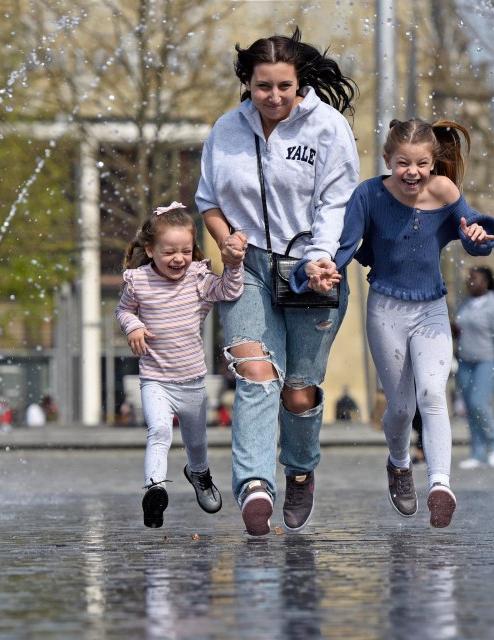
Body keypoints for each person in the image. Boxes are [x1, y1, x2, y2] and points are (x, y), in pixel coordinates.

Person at [295, 118, 494, 528]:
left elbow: (474, 232)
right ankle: (399, 463)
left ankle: (440, 484)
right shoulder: (369, 195)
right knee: (401, 407)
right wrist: (316, 273)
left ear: (433, 162)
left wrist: (480, 233)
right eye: (403, 162)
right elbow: (347, 244)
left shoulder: (443, 191)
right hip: (386, 308)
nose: (413, 172)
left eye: (422, 163)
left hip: (431, 309)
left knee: (431, 394)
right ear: (388, 159)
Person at [195, 28, 360, 536]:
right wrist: (225, 241)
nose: (273, 97)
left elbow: (337, 203)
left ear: (298, 83)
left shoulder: (329, 129)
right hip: (248, 269)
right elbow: (209, 201)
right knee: (256, 375)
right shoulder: (226, 129)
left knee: (299, 392)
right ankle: (254, 486)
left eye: (283, 86)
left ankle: (300, 469)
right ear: (248, 82)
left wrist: (319, 258)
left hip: (311, 268)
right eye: (263, 86)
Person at [115, 202, 246, 529]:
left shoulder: (198, 279)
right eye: (169, 251)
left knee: (196, 442)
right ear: (150, 249)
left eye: (185, 251)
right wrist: (133, 326)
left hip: (192, 382)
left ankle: (199, 473)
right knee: (158, 432)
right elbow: (123, 311)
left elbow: (229, 291)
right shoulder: (139, 281)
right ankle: (154, 491)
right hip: (155, 380)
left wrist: (233, 264)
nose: (178, 258)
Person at [453, 266, 494, 470]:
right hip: (465, 361)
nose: (470, 282)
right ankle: (477, 453)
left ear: (486, 282)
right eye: (469, 279)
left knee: (478, 402)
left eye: (475, 279)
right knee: (469, 408)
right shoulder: (465, 304)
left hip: (487, 361)